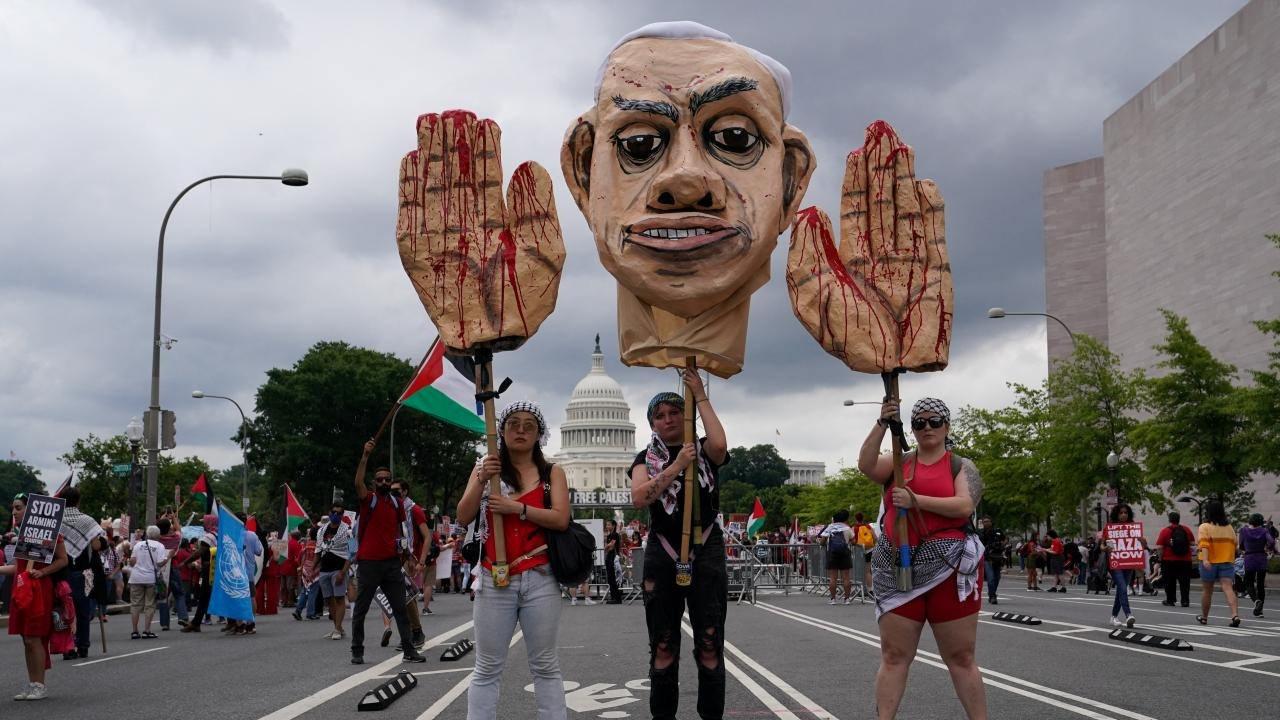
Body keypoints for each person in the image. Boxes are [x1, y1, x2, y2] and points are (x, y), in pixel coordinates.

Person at [858, 397, 987, 720]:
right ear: (912, 429)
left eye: (934, 421)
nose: (927, 428)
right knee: (894, 655)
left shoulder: (961, 465)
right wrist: (882, 423)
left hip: (950, 569)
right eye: (919, 423)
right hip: (899, 568)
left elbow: (963, 506)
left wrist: (916, 500)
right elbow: (866, 465)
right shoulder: (899, 463)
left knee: (960, 656)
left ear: (946, 426)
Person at [456, 401, 571, 720]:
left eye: (529, 425)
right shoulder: (485, 469)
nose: (520, 430)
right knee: (486, 667)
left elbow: (561, 519)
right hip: (495, 577)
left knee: (545, 666)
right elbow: (463, 515)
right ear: (501, 431)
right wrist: (482, 478)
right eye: (513, 424)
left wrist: (516, 508)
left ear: (539, 434)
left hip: (541, 577)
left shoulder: (552, 472)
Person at [629, 371, 730, 720]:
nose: (668, 419)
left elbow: (720, 444)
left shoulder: (702, 449)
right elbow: (640, 497)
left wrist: (699, 394)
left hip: (706, 550)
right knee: (664, 646)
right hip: (663, 551)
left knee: (709, 644)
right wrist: (676, 466)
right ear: (652, 424)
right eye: (660, 415)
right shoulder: (645, 459)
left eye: (675, 412)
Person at [349, 442, 424, 665]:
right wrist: (365, 456)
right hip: (369, 563)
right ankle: (357, 650)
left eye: (387, 479)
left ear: (391, 482)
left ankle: (409, 650)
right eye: (380, 479)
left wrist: (408, 555)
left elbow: (402, 532)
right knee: (361, 609)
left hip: (391, 563)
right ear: (375, 482)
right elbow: (357, 482)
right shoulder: (368, 499)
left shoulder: (396, 503)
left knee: (400, 608)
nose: (384, 482)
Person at [2, 494, 70, 701]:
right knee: (26, 639)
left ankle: (40, 685)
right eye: (13, 508)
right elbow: (18, 568)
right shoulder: (21, 535)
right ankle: (33, 683)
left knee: (34, 638)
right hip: (22, 588)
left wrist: (44, 572)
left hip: (39, 589)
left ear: (30, 509)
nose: (14, 512)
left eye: (18, 507)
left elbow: (63, 560)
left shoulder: (50, 534)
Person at [56, 487, 103, 659]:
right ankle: (83, 645)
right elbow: (97, 546)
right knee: (83, 610)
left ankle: (67, 647)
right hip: (83, 572)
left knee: (64, 610)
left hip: (60, 571)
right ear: (78, 501)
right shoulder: (87, 520)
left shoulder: (56, 519)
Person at [390, 478, 429, 649]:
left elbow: (427, 536)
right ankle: (409, 633)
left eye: (397, 490)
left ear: (405, 491)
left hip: (409, 557)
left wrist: (421, 561)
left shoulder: (414, 510)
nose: (393, 492)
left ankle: (416, 632)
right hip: (393, 557)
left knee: (406, 598)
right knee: (398, 599)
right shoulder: (391, 509)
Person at [1196, 500, 1241, 626]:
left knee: (1207, 590)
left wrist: (1205, 560)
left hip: (1209, 562)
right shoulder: (1229, 528)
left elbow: (1204, 544)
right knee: (1228, 588)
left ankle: (1204, 617)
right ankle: (1234, 615)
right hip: (1226, 561)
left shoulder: (1204, 527)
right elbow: (1235, 545)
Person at [313, 504, 352, 640]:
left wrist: (343, 571)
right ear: (329, 513)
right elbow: (318, 550)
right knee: (329, 600)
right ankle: (338, 627)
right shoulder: (322, 530)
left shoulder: (348, 530)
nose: (336, 515)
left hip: (339, 569)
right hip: (325, 569)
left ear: (342, 515)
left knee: (339, 598)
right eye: (334, 512)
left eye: (339, 513)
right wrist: (313, 568)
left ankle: (337, 628)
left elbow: (352, 552)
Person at [1101, 503, 1143, 627]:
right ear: (1116, 514)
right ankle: (1128, 614)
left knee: (1121, 589)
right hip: (1115, 562)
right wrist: (1106, 548)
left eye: (1126, 512)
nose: (1124, 515)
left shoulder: (1133, 527)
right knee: (1123, 587)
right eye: (1121, 512)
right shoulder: (1109, 528)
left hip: (1128, 562)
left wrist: (1142, 541)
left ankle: (1113, 616)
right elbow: (1101, 545)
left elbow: (1142, 544)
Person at [128, 525, 169, 640]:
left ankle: (135, 631)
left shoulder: (138, 544)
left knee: (135, 605)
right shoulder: (160, 546)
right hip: (150, 578)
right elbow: (160, 563)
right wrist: (167, 558)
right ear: (158, 535)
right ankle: (147, 631)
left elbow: (132, 562)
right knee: (150, 605)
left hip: (136, 578)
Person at [1239, 513, 1277, 617]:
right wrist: (1270, 548)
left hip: (1249, 558)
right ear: (1260, 522)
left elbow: (1241, 545)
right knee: (1260, 585)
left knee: (1249, 583)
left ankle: (1256, 601)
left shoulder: (1244, 530)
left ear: (1250, 521)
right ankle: (1259, 611)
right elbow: (1272, 542)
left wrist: (1245, 548)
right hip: (1261, 558)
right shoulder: (1264, 531)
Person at [1156, 511, 1195, 607]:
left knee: (1169, 581)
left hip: (1169, 560)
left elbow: (1160, 547)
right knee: (1185, 581)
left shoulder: (1165, 531)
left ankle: (1170, 600)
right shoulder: (1186, 529)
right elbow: (1193, 543)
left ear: (1170, 520)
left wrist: (1160, 559)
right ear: (1179, 519)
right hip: (1185, 559)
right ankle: (1185, 601)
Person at [821, 510, 854, 605]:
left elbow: (822, 542)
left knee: (833, 578)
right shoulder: (847, 528)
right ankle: (847, 599)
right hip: (845, 553)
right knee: (846, 577)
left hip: (832, 554)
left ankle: (833, 599)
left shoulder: (830, 527)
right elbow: (854, 541)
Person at [154, 518, 182, 630]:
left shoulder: (156, 539)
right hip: (173, 566)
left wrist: (163, 517)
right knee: (179, 593)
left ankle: (164, 623)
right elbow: (179, 529)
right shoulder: (176, 538)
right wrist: (175, 518)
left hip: (161, 568)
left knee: (162, 595)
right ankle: (183, 617)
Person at [978, 517, 1005, 605]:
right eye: (984, 522)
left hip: (997, 556)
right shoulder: (981, 533)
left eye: (987, 521)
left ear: (991, 522)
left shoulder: (997, 531)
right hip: (987, 557)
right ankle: (992, 596)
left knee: (997, 577)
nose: (986, 523)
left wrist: (1001, 544)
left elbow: (1004, 539)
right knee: (991, 578)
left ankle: (992, 593)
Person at [853, 512, 877, 594]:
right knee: (868, 571)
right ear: (863, 518)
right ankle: (870, 589)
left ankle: (860, 589)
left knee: (859, 570)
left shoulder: (855, 528)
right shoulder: (868, 527)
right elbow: (875, 537)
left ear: (855, 519)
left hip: (859, 551)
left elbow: (853, 540)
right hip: (869, 550)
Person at [604, 520, 622, 604]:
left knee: (613, 578)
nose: (607, 526)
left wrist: (607, 546)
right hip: (609, 557)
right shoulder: (608, 536)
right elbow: (608, 547)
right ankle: (613, 596)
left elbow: (611, 546)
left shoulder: (615, 535)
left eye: (608, 524)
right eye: (606, 525)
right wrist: (607, 546)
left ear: (613, 526)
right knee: (610, 579)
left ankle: (617, 598)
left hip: (613, 558)